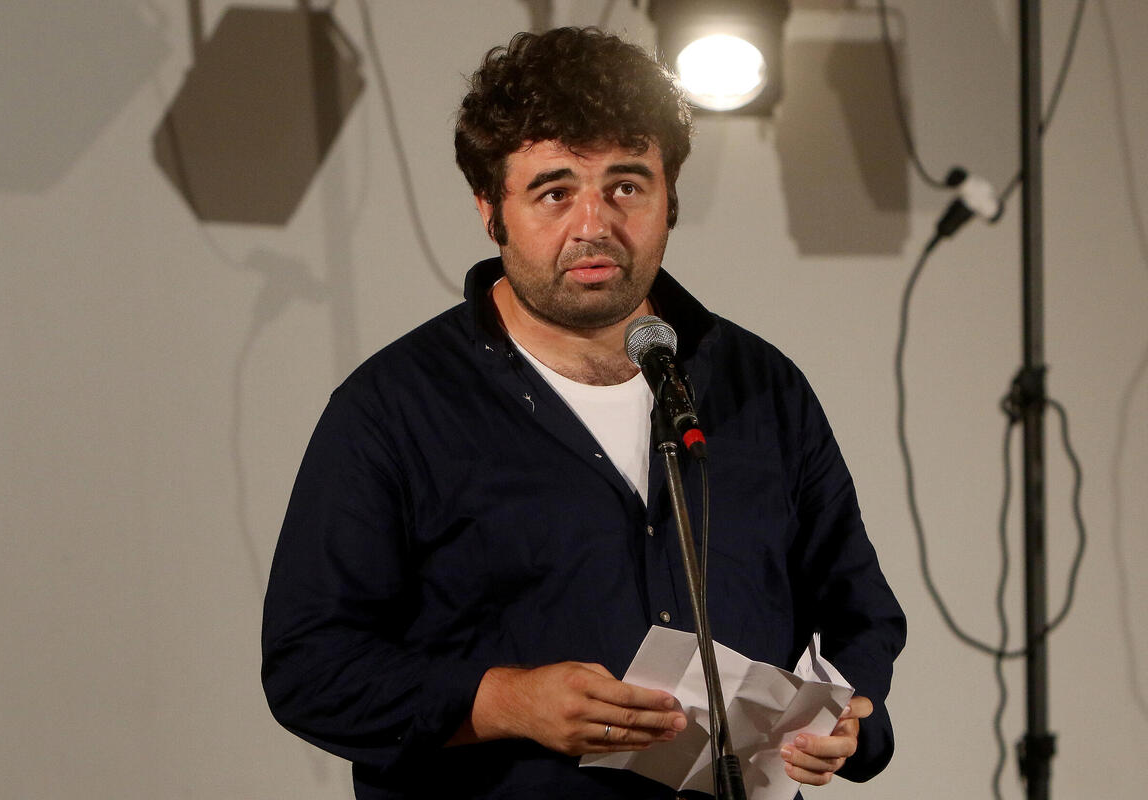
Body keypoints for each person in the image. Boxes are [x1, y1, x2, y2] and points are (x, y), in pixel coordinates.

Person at [262, 26, 905, 800]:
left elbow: (858, 611)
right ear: (490, 210)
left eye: (626, 187)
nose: (594, 224)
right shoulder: (392, 409)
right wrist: (502, 703)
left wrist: (852, 717)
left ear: (670, 198)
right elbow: (309, 667)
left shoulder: (762, 387)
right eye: (554, 192)